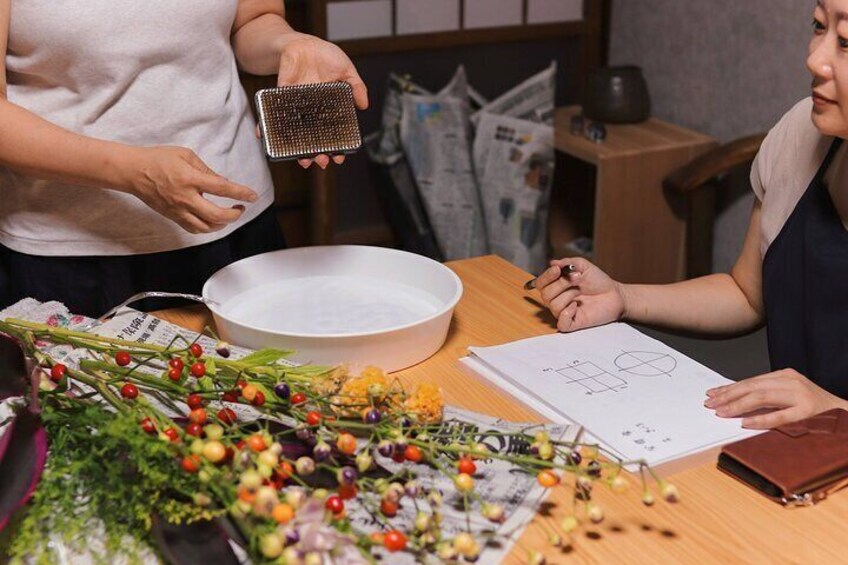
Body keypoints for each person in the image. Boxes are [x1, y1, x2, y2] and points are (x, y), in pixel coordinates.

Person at [537, 0, 848, 430]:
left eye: (846, 41)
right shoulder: (803, 132)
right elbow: (746, 292)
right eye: (818, 26)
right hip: (793, 451)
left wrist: (836, 409)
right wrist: (623, 298)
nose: (814, 58)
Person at [0, 0, 368, 316]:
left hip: (234, 225)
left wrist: (290, 44)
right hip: (70, 250)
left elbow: (253, 19)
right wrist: (134, 172)